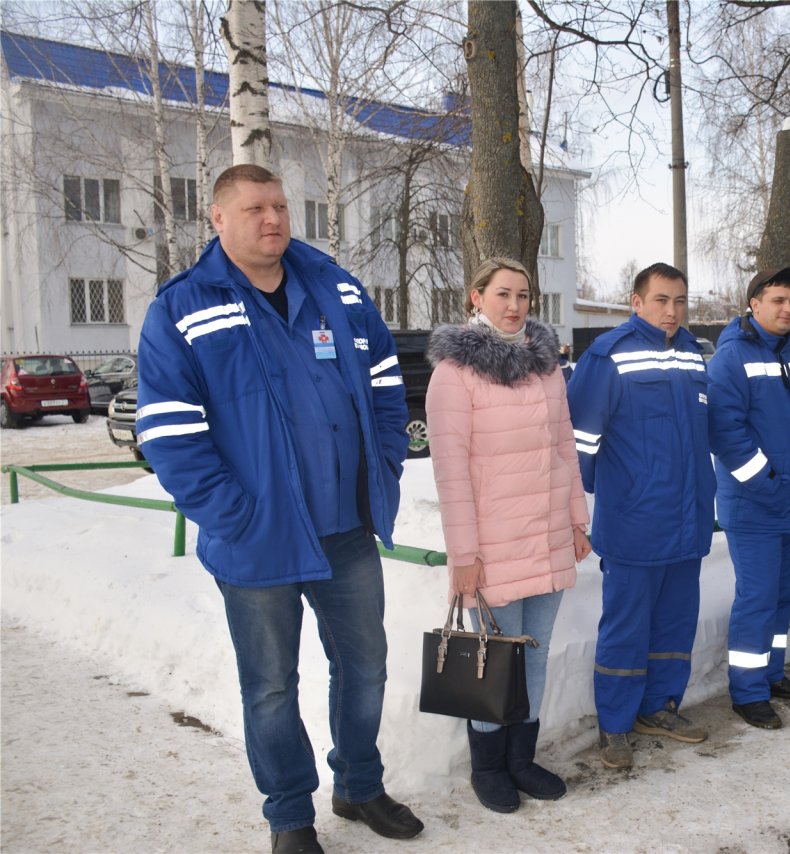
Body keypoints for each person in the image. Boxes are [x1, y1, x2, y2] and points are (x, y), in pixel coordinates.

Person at [135, 165, 421, 854]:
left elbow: (387, 384)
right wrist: (233, 515)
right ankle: (290, 816)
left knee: (367, 668)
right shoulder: (181, 308)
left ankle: (357, 784)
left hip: (345, 531)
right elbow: (170, 434)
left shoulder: (337, 289)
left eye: (281, 206)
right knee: (269, 688)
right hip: (256, 541)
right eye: (255, 207)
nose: (273, 219)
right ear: (218, 218)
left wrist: (381, 465)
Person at [426, 257, 591, 814]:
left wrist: (575, 519)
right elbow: (451, 471)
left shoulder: (548, 366)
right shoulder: (455, 372)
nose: (515, 305)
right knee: (496, 659)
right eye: (502, 294)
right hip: (493, 547)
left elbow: (563, 447)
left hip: (545, 535)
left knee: (535, 657)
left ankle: (522, 759)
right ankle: (489, 767)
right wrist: (464, 556)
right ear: (476, 297)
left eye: (523, 294)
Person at [567, 262, 716, 770]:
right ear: (636, 302)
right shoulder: (609, 356)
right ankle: (615, 726)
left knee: (675, 625)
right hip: (635, 522)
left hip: (688, 519)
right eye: (660, 300)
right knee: (626, 629)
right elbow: (579, 443)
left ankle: (660, 707)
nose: (671, 311)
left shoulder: (694, 353)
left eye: (679, 300)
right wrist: (609, 493)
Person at [709, 267, 790, 730]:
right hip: (756, 506)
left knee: (780, 597)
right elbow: (727, 435)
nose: (787, 309)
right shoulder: (729, 358)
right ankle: (748, 691)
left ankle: (771, 673)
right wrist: (771, 484)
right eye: (778, 300)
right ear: (753, 304)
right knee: (757, 599)